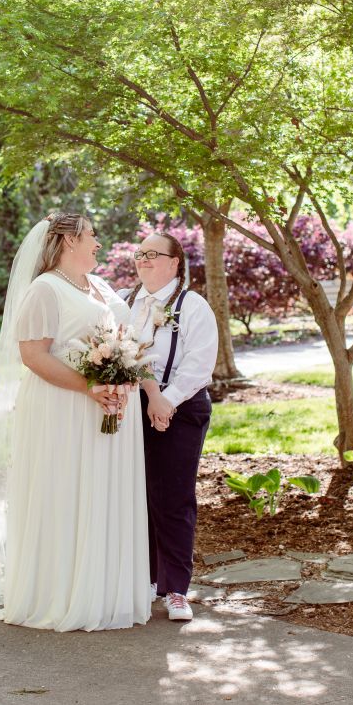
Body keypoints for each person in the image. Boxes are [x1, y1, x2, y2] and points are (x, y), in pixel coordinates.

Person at [0, 211, 151, 632]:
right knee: (68, 492)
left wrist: (122, 379)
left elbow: (123, 339)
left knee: (103, 493)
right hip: (64, 411)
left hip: (109, 410)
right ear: (69, 240)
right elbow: (33, 356)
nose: (98, 242)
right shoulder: (45, 290)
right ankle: (62, 594)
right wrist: (90, 387)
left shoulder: (100, 286)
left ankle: (108, 591)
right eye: (92, 234)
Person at [125, 231, 218, 622]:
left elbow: (199, 364)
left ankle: (177, 589)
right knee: (140, 496)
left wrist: (166, 401)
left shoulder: (192, 305)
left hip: (182, 406)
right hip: (136, 408)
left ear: (174, 262)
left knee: (174, 498)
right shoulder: (130, 302)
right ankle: (150, 580)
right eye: (139, 254)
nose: (143, 260)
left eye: (152, 254)